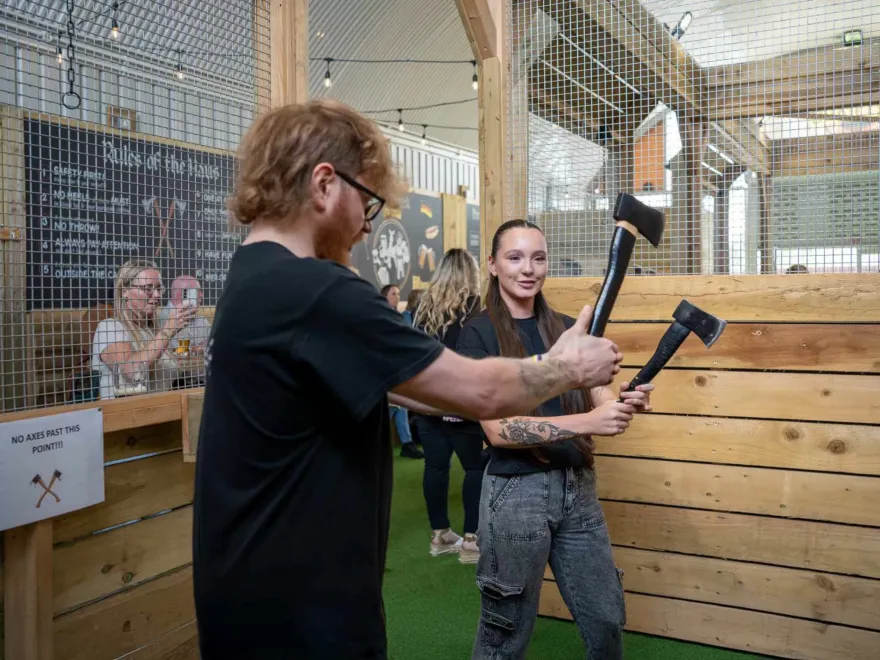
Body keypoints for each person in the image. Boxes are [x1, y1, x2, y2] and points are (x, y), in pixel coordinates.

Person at [191, 99, 624, 660]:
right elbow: (480, 392)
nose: (367, 225)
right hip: (301, 607)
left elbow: (397, 386)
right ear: (325, 183)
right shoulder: (315, 291)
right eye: (367, 202)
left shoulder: (254, 277)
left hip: (249, 589)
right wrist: (569, 368)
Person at [456, 219, 653, 660]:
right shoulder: (478, 334)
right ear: (492, 265)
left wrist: (624, 402)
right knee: (505, 632)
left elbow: (601, 396)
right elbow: (499, 430)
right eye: (515, 257)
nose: (528, 269)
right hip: (514, 493)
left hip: (578, 490)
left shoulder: (567, 328)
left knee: (605, 619)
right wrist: (589, 422)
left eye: (538, 257)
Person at [412, 248, 485, 563]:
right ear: (471, 273)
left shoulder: (424, 307)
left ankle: (440, 534)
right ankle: (470, 540)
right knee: (475, 466)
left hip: (427, 400)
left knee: (435, 466)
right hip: (461, 401)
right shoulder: (474, 307)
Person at [92, 259, 197, 399]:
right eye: (148, 289)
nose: (157, 295)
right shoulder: (109, 327)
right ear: (125, 292)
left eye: (159, 289)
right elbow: (133, 373)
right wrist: (168, 331)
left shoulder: (151, 331)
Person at [381, 283, 424, 459]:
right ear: (384, 297)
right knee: (393, 406)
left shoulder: (398, 316)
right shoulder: (386, 315)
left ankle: (407, 443)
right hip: (385, 367)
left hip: (397, 367)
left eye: (398, 294)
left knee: (401, 406)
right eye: (393, 294)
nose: (397, 297)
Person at [155, 274, 213, 353]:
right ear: (183, 293)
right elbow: (178, 351)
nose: (202, 295)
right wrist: (196, 349)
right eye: (197, 291)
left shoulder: (198, 319)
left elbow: (212, 344)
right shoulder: (168, 317)